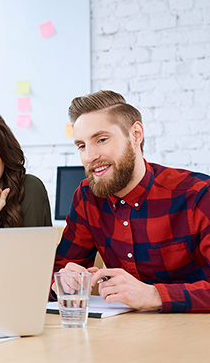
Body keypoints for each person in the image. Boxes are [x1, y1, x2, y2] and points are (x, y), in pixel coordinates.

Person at [54, 90, 210, 312]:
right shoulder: (87, 197)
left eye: (102, 140)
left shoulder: (198, 195)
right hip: (124, 334)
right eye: (82, 145)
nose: (89, 157)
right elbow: (57, 274)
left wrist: (154, 295)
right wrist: (66, 281)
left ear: (136, 135)